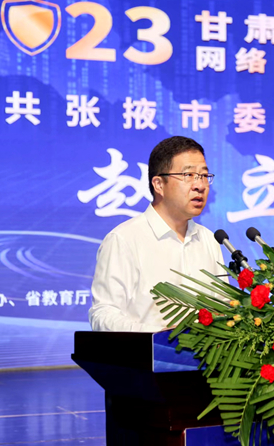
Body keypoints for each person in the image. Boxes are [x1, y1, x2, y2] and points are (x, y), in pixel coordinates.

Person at [88, 136, 226, 332]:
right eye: (188, 175)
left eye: (203, 175)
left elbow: (222, 307)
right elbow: (104, 313)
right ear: (159, 184)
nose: (200, 186)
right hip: (146, 351)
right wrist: (156, 336)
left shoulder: (209, 240)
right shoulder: (124, 240)